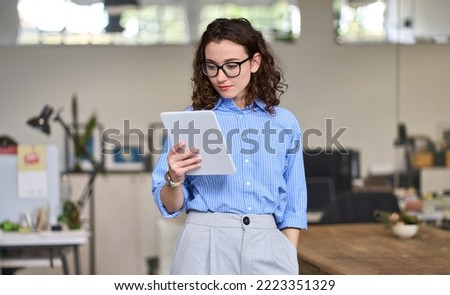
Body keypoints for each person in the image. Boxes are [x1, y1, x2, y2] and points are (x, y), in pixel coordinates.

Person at [152, 17, 307, 275]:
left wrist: (287, 256)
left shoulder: (284, 123)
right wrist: (175, 178)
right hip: (203, 244)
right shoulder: (191, 120)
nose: (220, 77)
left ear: (255, 62)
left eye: (232, 66)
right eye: (211, 66)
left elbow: (293, 202)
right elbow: (170, 205)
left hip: (268, 243)